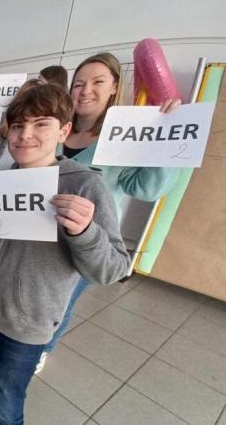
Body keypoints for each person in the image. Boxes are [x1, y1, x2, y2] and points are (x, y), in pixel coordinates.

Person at [0, 83, 131, 425]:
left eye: (41, 124)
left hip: (25, 326)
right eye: (17, 126)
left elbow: (111, 270)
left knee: (8, 405)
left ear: (64, 130)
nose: (25, 135)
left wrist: (85, 232)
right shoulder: (2, 179)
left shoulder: (85, 186)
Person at [37, 52, 180, 372]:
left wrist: (169, 137)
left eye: (97, 82)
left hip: (85, 242)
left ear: (115, 86)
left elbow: (147, 188)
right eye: (78, 83)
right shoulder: (56, 128)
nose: (85, 90)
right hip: (39, 233)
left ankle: (45, 346)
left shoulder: (122, 138)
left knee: (60, 304)